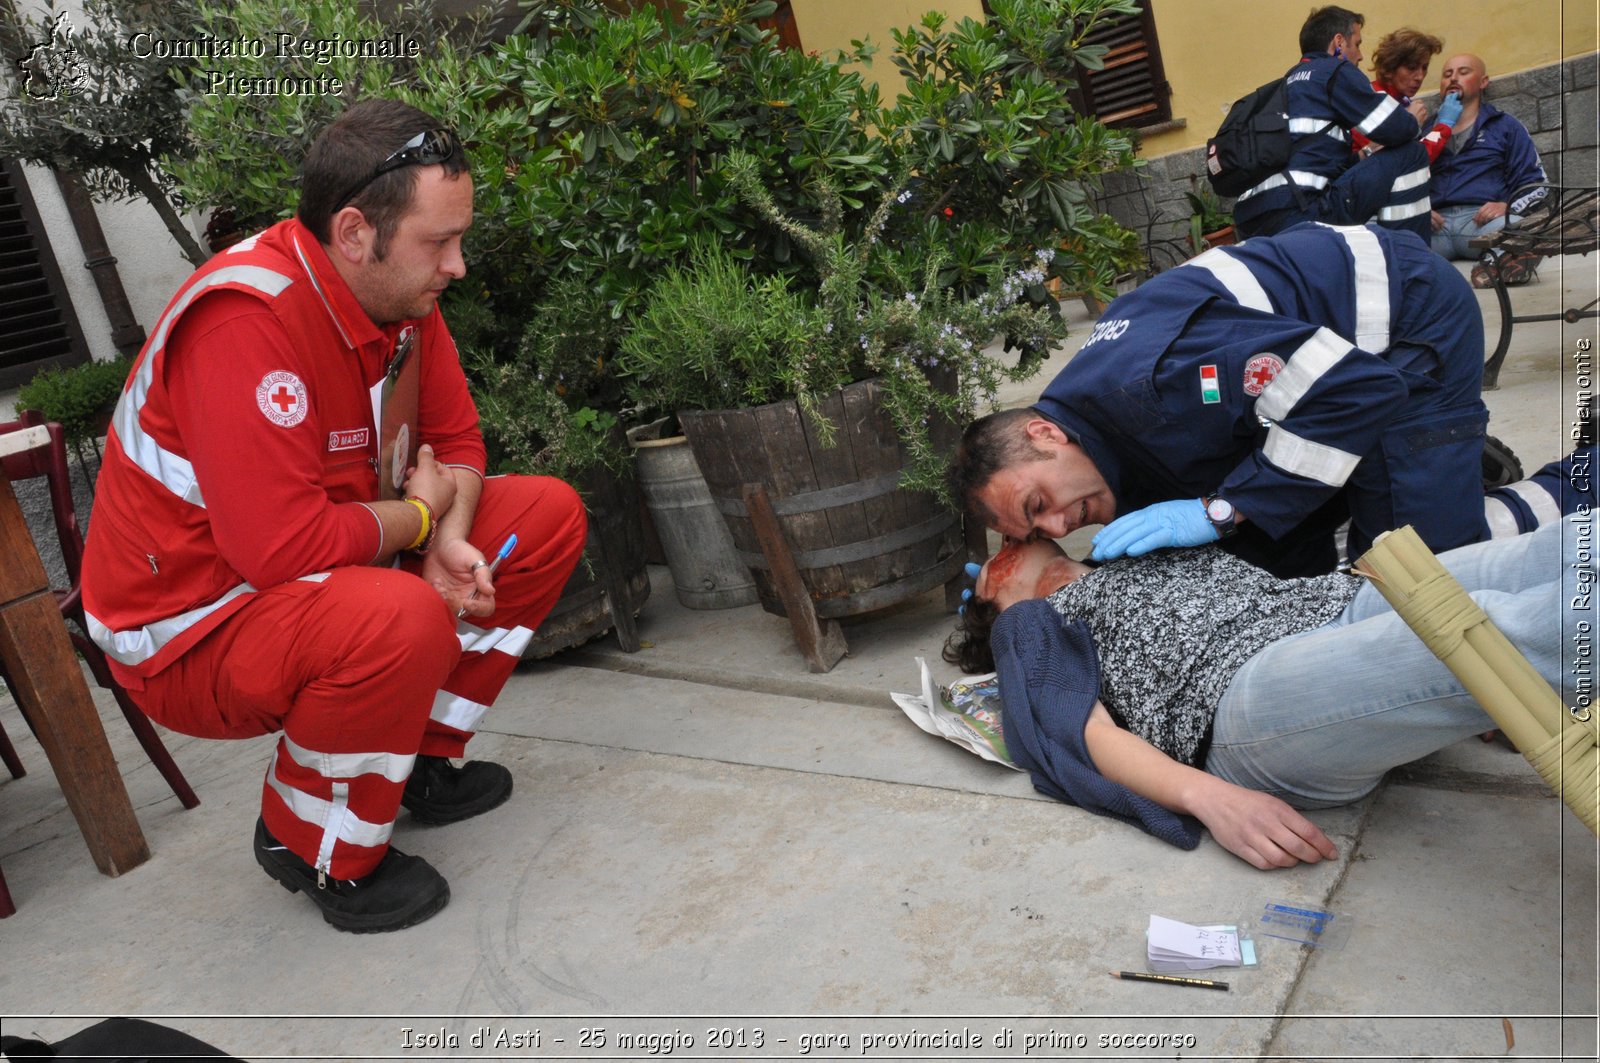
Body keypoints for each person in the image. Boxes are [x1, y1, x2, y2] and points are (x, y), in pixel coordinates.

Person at [80, 100, 588, 933]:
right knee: (397, 616)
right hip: (187, 629)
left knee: (547, 515)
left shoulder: (400, 297)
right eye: (439, 242)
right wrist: (418, 529)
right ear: (355, 233)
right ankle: (312, 844)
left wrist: (448, 535)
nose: (457, 265)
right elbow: (279, 548)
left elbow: (458, 440)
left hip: (315, 569)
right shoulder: (246, 321)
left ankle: (415, 758)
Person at [944, 514, 1583, 870]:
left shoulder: (1132, 552)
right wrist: (1211, 797)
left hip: (1330, 604)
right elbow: (1083, 731)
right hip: (1243, 698)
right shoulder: (1029, 625)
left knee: (1550, 550)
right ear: (994, 596)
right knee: (1492, 635)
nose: (1010, 536)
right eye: (1000, 549)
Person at [952, 220, 1496, 579]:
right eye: (1034, 535)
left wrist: (1225, 507)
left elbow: (1358, 387)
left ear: (1043, 434)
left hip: (1401, 322)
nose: (1057, 530)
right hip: (1302, 382)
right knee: (1265, 564)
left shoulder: (1158, 387)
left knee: (1404, 577)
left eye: (1036, 507)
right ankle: (1438, 474)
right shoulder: (1077, 417)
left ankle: (1526, 483)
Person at [1231, 6, 1434, 241]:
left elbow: (1311, 158)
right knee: (1412, 153)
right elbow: (1396, 129)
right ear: (1339, 42)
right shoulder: (1334, 70)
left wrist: (1364, 154)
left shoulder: (1284, 85)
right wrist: (1411, 119)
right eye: (1357, 44)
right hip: (1303, 211)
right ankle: (1409, 262)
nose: (1360, 56)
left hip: (1252, 219)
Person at [1428, 53, 1550, 287]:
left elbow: (1537, 184)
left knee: (1526, 232)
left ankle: (1493, 266)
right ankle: (1494, 262)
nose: (1454, 78)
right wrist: (1416, 209)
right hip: (1433, 225)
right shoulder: (1424, 129)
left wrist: (1508, 206)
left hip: (1482, 224)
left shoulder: (1505, 126)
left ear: (1483, 82)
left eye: (1464, 72)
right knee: (1383, 236)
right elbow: (1400, 178)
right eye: (1447, 74)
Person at [1350, 27, 1458, 163]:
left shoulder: (1400, 99)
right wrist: (1443, 127)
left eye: (1424, 67)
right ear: (1389, 68)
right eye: (1412, 68)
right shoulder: (1371, 102)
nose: (1420, 76)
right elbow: (1406, 161)